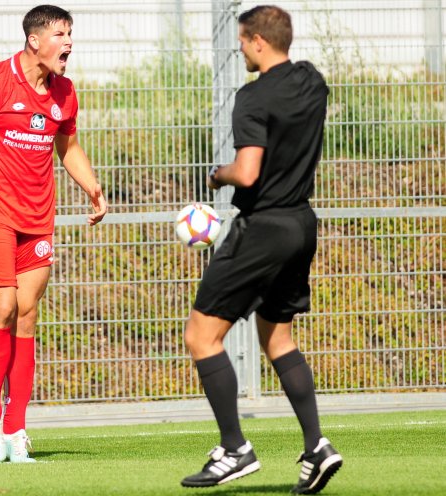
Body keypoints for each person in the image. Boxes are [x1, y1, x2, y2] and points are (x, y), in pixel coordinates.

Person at [180, 6, 342, 494]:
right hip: (300, 224)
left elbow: (248, 172)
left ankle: (235, 449)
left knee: (201, 337)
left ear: (256, 42)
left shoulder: (251, 98)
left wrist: (218, 174)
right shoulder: (313, 82)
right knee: (278, 339)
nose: (240, 49)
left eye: (242, 41)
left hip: (263, 229)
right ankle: (317, 448)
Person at [0, 5, 107, 463]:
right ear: (35, 40)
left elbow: (68, 147)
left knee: (28, 314)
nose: (70, 43)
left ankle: (17, 431)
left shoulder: (65, 93)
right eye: (61, 34)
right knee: (3, 304)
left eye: (71, 33)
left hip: (38, 217)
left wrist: (92, 187)